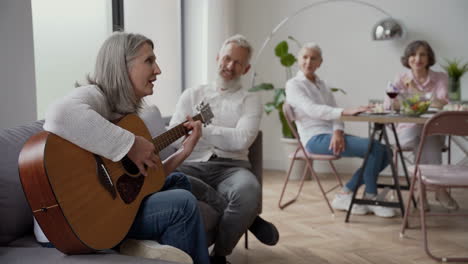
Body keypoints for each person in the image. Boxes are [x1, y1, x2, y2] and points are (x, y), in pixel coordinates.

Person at [40, 32, 210, 264]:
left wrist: (184, 152)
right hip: (72, 224)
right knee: (183, 203)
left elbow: (145, 181)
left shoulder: (125, 115)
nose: (158, 69)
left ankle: (148, 248)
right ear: (122, 67)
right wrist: (129, 144)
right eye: (149, 61)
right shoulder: (94, 96)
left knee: (180, 181)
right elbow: (58, 114)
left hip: (108, 209)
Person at [170, 34, 279, 264]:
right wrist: (195, 134)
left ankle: (219, 256)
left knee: (248, 191)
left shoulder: (250, 100)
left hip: (232, 168)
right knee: (168, 177)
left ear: (246, 68)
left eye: (238, 62)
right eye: (227, 58)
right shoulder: (191, 95)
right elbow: (174, 137)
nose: (230, 66)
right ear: (218, 57)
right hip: (193, 164)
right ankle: (250, 219)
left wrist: (202, 130)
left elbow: (241, 141)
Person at [285, 42, 396, 218]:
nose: (308, 61)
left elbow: (334, 111)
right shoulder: (293, 85)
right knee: (374, 148)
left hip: (331, 135)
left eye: (313, 58)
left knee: (387, 151)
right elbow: (312, 109)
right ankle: (371, 197)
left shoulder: (323, 84)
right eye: (304, 57)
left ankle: (346, 193)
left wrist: (338, 131)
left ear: (320, 62)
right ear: (298, 60)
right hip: (315, 139)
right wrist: (345, 112)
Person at [385, 40, 458, 210]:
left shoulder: (440, 77)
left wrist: (410, 98)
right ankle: (439, 190)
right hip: (406, 134)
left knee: (427, 133)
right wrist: (424, 100)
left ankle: (420, 191)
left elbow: (441, 103)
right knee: (425, 132)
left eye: (422, 54)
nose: (417, 58)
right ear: (407, 58)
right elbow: (391, 105)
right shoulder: (400, 78)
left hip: (432, 132)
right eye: (413, 54)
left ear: (429, 57)